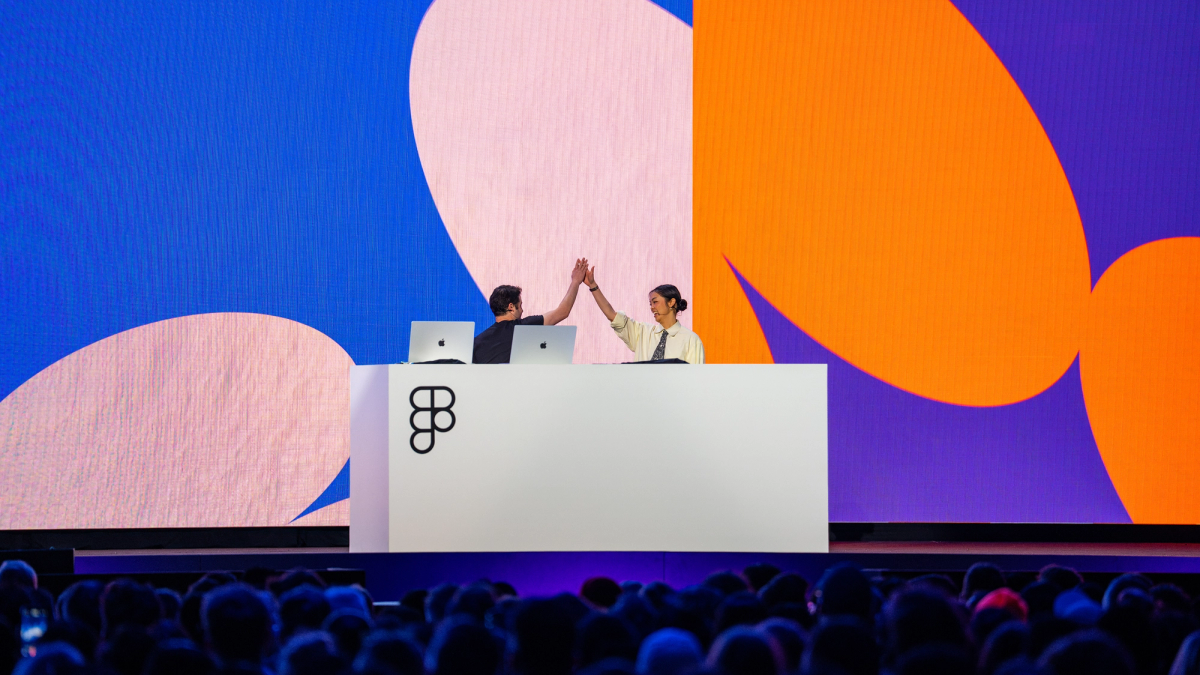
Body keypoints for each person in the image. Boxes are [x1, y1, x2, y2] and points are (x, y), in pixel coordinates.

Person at [472, 259, 589, 364]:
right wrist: (575, 281)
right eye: (520, 305)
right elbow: (563, 312)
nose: (522, 310)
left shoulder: (477, 343)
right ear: (511, 307)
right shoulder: (524, 328)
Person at [582, 267, 703, 364]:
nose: (652, 307)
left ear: (671, 302)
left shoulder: (691, 340)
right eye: (650, 304)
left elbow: (695, 379)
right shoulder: (642, 332)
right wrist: (593, 285)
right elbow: (611, 315)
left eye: (655, 302)